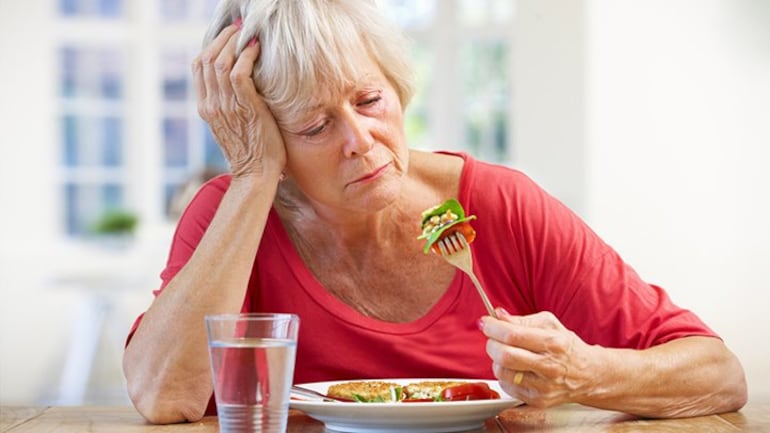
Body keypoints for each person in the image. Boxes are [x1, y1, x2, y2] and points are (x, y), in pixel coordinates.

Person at [123, 0, 747, 424]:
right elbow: (164, 396)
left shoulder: (498, 206)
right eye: (314, 126)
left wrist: (585, 372)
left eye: (370, 100)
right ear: (264, 136)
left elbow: (717, 375)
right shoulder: (233, 215)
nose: (361, 140)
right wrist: (255, 174)